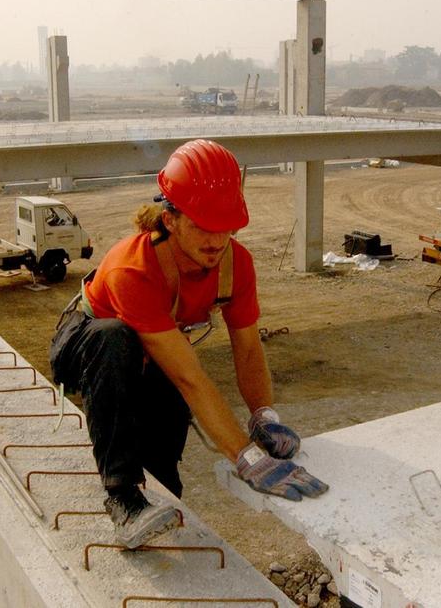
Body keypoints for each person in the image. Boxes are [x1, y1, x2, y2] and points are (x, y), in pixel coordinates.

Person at [50, 139, 328, 548]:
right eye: (202, 224)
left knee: (167, 428)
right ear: (171, 218)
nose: (216, 240)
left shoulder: (236, 264)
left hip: (153, 349)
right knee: (117, 342)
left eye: (226, 225)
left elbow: (248, 348)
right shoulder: (135, 267)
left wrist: (263, 418)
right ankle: (123, 498)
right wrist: (247, 458)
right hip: (89, 348)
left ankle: (160, 507)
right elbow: (190, 377)